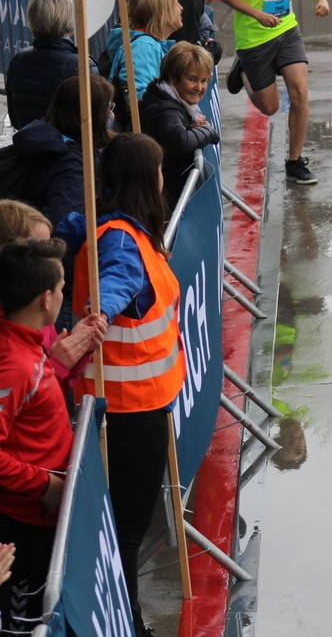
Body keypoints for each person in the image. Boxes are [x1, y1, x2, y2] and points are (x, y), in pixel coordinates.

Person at [60, 133, 186, 637]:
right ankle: (129, 624)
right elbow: (118, 281)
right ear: (145, 180)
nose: (164, 179)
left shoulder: (121, 227)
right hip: (127, 409)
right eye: (158, 170)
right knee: (127, 530)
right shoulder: (119, 239)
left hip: (138, 404)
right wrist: (98, 317)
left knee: (128, 528)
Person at [219, 0, 330, 186]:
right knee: (271, 107)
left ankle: (294, 161)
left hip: (286, 30)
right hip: (255, 37)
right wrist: (257, 14)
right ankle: (243, 71)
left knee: (300, 91)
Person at [0, 238, 73, 634]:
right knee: (26, 627)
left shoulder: (25, 344)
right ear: (46, 300)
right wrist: (44, 484)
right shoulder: (13, 364)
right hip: (23, 527)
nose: (65, 296)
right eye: (62, 288)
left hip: (43, 518)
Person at [0, 200, 106, 403]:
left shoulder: (37, 316)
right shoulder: (10, 338)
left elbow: (54, 392)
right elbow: (24, 406)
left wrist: (77, 349)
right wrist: (56, 365)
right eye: (39, 250)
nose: (51, 260)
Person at [8, 75, 114, 228]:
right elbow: (64, 229)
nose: (111, 113)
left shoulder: (43, 139)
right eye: (109, 107)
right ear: (93, 115)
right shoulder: (71, 164)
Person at [3, 0, 98, 130]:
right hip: (70, 150)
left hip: (29, 145)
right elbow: (95, 124)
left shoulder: (18, 60)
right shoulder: (82, 65)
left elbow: (15, 118)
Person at [139, 42, 220, 209]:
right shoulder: (165, 109)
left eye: (204, 81)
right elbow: (181, 140)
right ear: (172, 78)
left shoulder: (167, 99)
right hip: (162, 203)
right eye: (192, 79)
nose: (199, 87)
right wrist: (209, 131)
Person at [106, 0, 183, 131]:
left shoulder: (148, 44)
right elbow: (137, 100)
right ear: (162, 11)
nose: (181, 8)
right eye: (175, 3)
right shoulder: (144, 46)